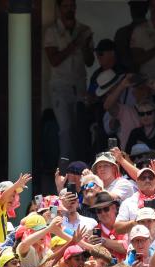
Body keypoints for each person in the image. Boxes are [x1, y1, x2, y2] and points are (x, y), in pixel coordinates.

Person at [44, 0, 94, 159]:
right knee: (65, 129)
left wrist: (85, 46)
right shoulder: (52, 31)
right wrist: (75, 44)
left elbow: (90, 61)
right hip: (60, 86)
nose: (69, 10)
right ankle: (65, 169)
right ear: (59, 9)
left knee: (79, 128)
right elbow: (54, 60)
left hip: (79, 85)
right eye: (65, 6)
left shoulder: (84, 29)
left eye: (72, 6)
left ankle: (79, 167)